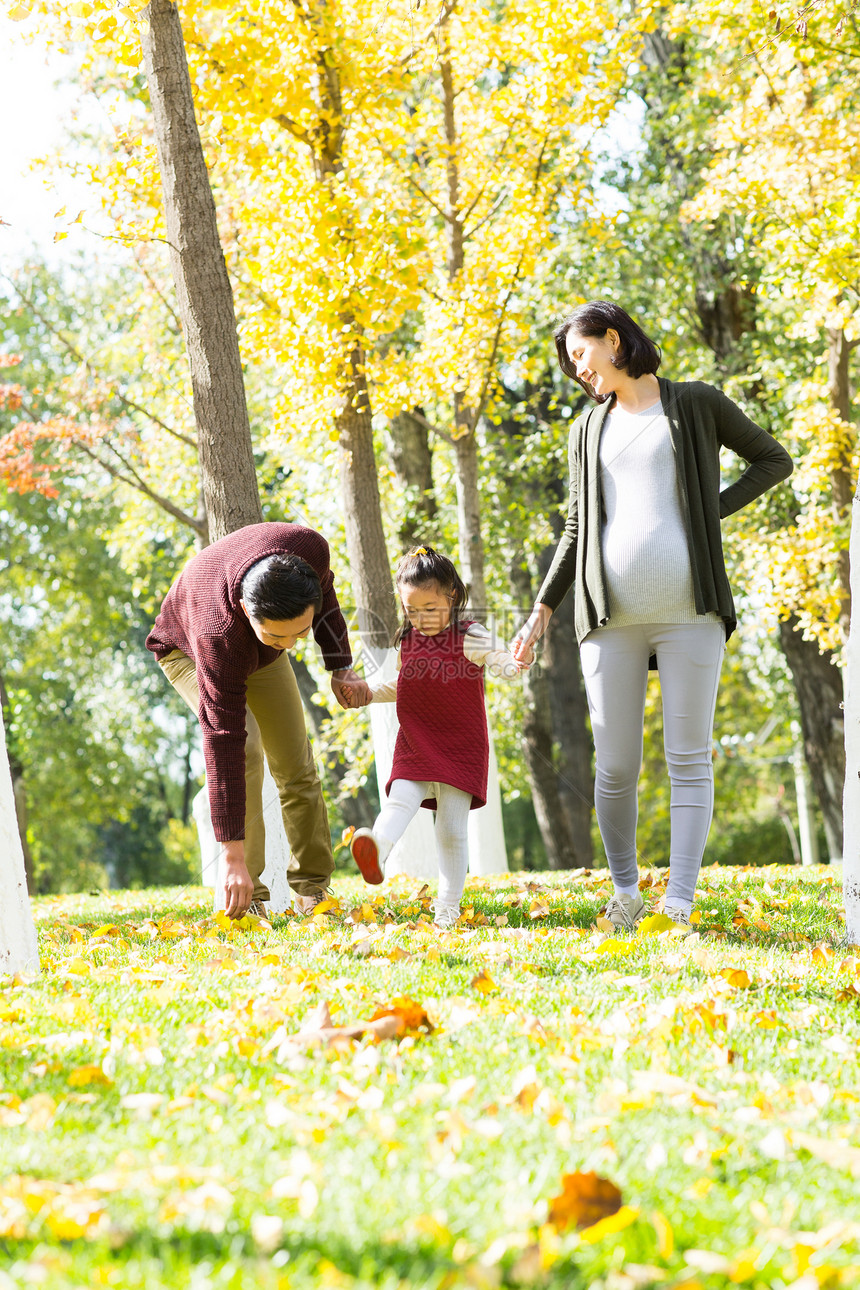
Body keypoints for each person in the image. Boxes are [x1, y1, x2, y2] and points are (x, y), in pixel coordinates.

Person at [512, 301, 793, 931]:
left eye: (579, 354)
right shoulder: (586, 428)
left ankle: (681, 903)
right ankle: (626, 892)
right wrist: (540, 614)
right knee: (614, 763)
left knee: (688, 756)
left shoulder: (695, 402)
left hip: (690, 613)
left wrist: (705, 512)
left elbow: (774, 461)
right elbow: (577, 526)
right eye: (569, 364)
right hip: (609, 619)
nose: (576, 370)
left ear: (613, 339)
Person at [146, 522, 370, 919]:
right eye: (277, 637)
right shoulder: (218, 635)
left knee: (295, 760)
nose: (289, 646)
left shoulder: (309, 551)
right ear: (249, 611)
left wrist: (340, 666)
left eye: (298, 635)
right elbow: (223, 741)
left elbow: (327, 593)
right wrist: (230, 855)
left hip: (251, 646)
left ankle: (313, 891)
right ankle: (251, 898)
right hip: (186, 651)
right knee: (246, 747)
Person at [341, 546, 525, 929]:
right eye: (411, 610)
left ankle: (447, 908)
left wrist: (515, 662)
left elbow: (500, 661)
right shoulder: (408, 640)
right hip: (415, 740)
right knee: (399, 799)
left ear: (451, 595)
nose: (420, 618)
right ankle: (377, 848)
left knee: (451, 830)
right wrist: (369, 694)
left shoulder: (469, 634)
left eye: (429, 608)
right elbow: (403, 683)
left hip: (461, 745)